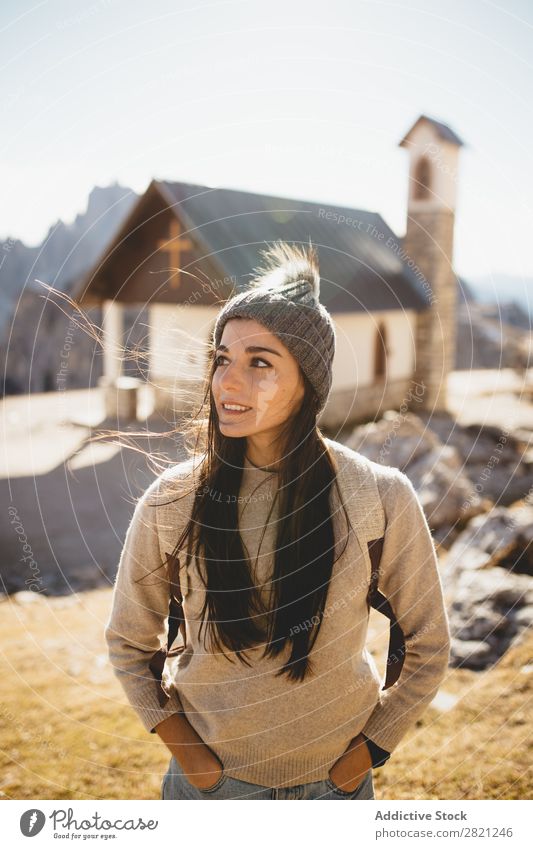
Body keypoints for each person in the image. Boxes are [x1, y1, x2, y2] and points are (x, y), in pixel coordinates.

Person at [104, 240, 451, 800]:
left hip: (333, 791)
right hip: (213, 794)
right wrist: (196, 763)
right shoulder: (173, 500)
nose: (228, 382)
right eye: (222, 359)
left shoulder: (379, 496)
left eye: (259, 363)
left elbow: (428, 644)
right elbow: (128, 643)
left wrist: (364, 754)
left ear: (308, 381)